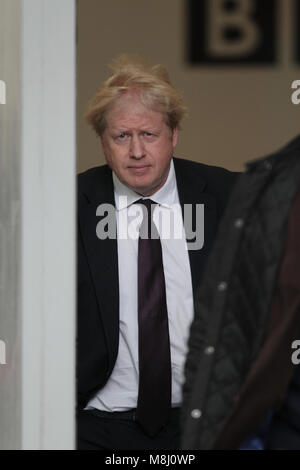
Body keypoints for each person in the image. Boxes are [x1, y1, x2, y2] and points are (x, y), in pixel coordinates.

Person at [76, 55, 238, 450]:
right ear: (102, 142)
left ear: (173, 135)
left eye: (148, 135)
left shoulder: (229, 196)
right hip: (97, 425)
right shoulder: (68, 205)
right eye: (121, 136)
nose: (136, 152)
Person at [181, 135, 300, 450]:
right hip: (272, 422)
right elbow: (222, 323)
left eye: (148, 134)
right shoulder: (269, 182)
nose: (137, 150)